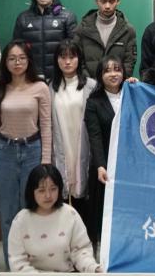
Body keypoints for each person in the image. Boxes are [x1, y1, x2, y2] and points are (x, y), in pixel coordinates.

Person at [0, 40, 52, 265]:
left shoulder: (40, 87)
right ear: (5, 62)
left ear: (29, 61)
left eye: (22, 58)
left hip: (32, 150)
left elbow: (46, 126)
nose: (17, 63)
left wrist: (45, 161)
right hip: (5, 152)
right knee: (8, 212)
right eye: (12, 58)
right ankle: (12, 264)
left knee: (31, 209)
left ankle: (32, 264)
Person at [8, 164, 101, 273]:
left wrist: (93, 268)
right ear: (31, 192)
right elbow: (17, 261)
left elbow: (81, 250)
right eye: (41, 190)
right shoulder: (20, 221)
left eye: (53, 189)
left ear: (59, 189)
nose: (48, 195)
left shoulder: (70, 214)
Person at [49, 40, 97, 226]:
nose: (67, 62)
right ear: (56, 60)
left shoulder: (91, 86)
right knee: (61, 189)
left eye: (72, 57)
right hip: (61, 145)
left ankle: (84, 238)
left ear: (79, 59)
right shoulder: (50, 87)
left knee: (83, 192)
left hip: (83, 144)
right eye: (63, 57)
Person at [85, 56, 129, 243]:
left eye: (117, 69)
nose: (113, 74)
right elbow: (94, 137)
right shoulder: (93, 102)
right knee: (103, 212)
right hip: (105, 166)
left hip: (129, 164)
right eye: (108, 70)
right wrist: (100, 166)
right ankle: (101, 249)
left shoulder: (131, 95)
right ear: (100, 75)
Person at [11, 0, 77, 79]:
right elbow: (16, 48)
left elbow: (75, 48)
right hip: (31, 76)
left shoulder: (67, 16)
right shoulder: (23, 18)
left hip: (59, 76)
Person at [73, 0, 138, 77]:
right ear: (96, 1)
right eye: (103, 1)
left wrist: (118, 81)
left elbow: (129, 62)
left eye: (112, 1)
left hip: (117, 83)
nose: (107, 6)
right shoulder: (83, 28)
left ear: (118, 1)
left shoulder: (128, 30)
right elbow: (77, 58)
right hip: (89, 83)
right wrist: (89, 82)